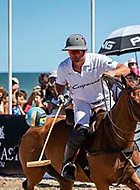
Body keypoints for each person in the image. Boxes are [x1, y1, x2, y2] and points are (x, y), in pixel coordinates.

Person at [55, 33, 129, 181]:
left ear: (85, 51)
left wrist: (113, 72)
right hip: (81, 102)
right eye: (71, 52)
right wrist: (60, 95)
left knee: (114, 127)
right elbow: (59, 84)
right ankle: (67, 164)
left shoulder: (98, 60)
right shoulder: (64, 67)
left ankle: (126, 157)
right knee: (80, 131)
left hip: (102, 100)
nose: (74, 55)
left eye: (77, 52)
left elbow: (125, 68)